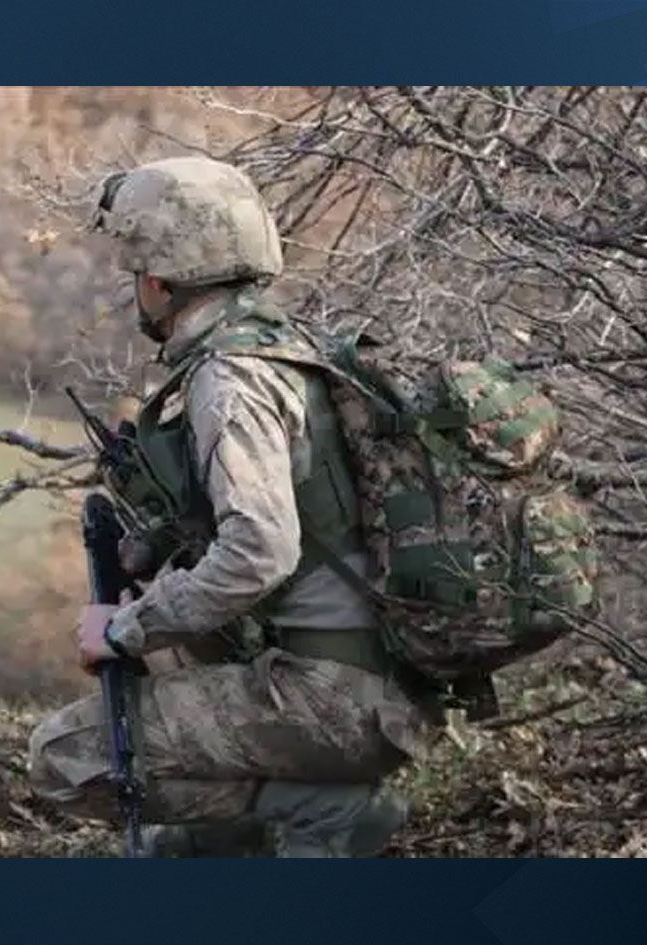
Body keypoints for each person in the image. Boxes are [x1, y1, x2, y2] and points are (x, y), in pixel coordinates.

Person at [27, 156, 441, 857]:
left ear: (158, 281)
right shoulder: (291, 349)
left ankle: (327, 809)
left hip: (333, 699)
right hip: (380, 686)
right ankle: (242, 834)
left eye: (136, 276)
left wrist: (128, 628)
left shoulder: (230, 381)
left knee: (67, 756)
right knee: (173, 831)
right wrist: (154, 549)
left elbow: (260, 550)